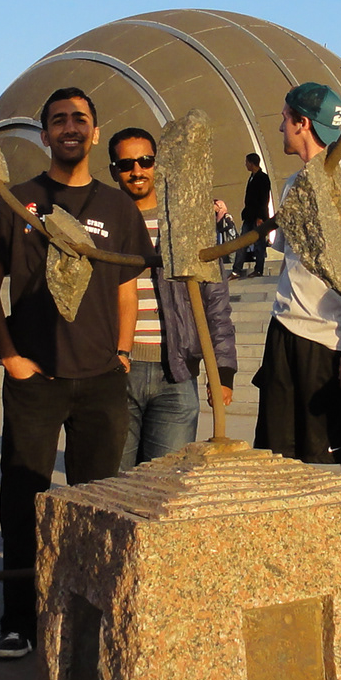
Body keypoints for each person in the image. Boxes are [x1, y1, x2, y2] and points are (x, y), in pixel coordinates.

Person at [0, 87, 152, 659]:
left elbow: (127, 288)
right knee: (21, 500)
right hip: (36, 378)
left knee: (98, 503)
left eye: (80, 118)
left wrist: (122, 353)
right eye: (58, 120)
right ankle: (17, 620)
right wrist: (10, 355)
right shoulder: (18, 201)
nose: (70, 127)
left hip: (101, 378)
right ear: (45, 134)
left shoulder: (118, 208)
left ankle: (89, 618)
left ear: (95, 133)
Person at [253, 82, 341, 481]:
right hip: (286, 331)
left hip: (332, 340)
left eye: (284, 119)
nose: (281, 127)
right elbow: (290, 262)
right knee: (278, 454)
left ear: (303, 123)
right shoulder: (294, 185)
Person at [106, 127, 237, 467]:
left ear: (158, 164)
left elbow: (215, 301)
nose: (137, 171)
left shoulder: (185, 224)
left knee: (165, 483)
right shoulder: (105, 223)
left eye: (146, 161)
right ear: (114, 171)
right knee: (114, 483)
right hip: (117, 371)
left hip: (176, 374)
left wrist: (222, 371)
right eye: (126, 164)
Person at [235, 151, 272, 277]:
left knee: (259, 244)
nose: (245, 164)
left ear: (252, 163)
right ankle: (237, 269)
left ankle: (258, 269)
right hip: (249, 216)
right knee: (242, 242)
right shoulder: (252, 177)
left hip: (258, 216)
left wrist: (260, 217)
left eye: (247, 162)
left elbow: (264, 199)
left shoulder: (262, 178)